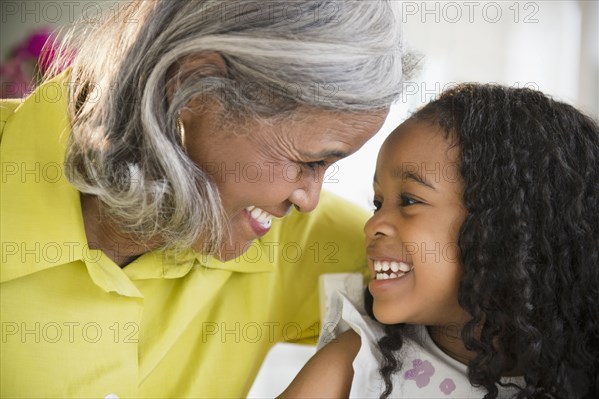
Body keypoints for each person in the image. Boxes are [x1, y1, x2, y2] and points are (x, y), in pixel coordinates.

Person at [0, 1, 418, 397]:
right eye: (309, 160)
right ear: (193, 87)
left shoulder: (316, 240)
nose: (309, 198)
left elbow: (465, 292)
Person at [279, 84, 599, 398]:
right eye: (378, 203)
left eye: (408, 201)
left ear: (506, 232)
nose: (373, 225)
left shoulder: (581, 378)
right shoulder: (355, 363)